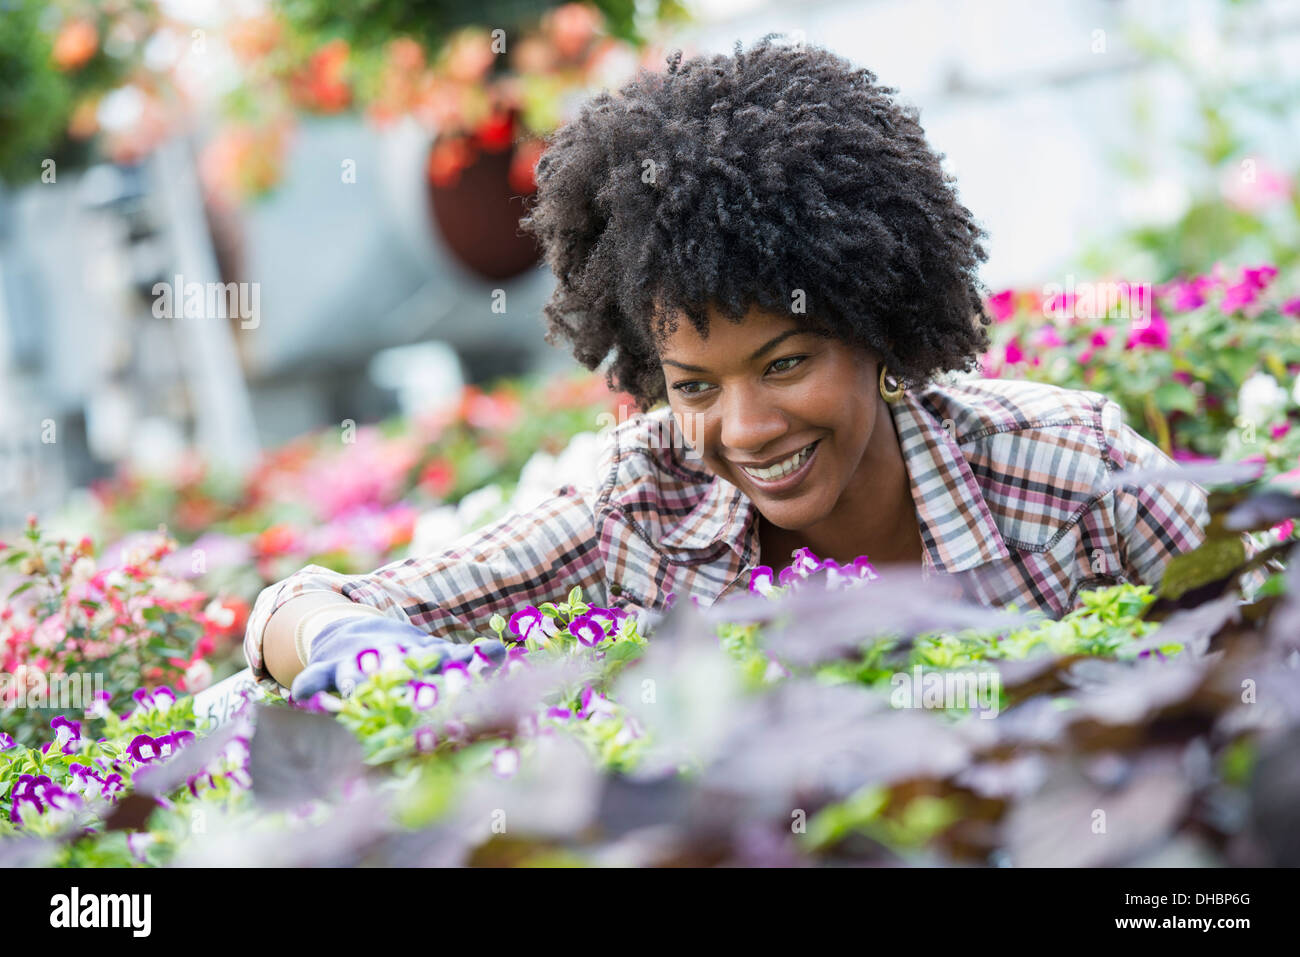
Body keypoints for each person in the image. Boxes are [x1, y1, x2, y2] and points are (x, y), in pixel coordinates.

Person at [244, 37, 1253, 697]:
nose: (747, 427)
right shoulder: (645, 502)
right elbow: (299, 616)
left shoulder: (1068, 475)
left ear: (877, 325)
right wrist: (355, 652)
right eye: (694, 385)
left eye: (785, 362)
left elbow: (1263, 659)